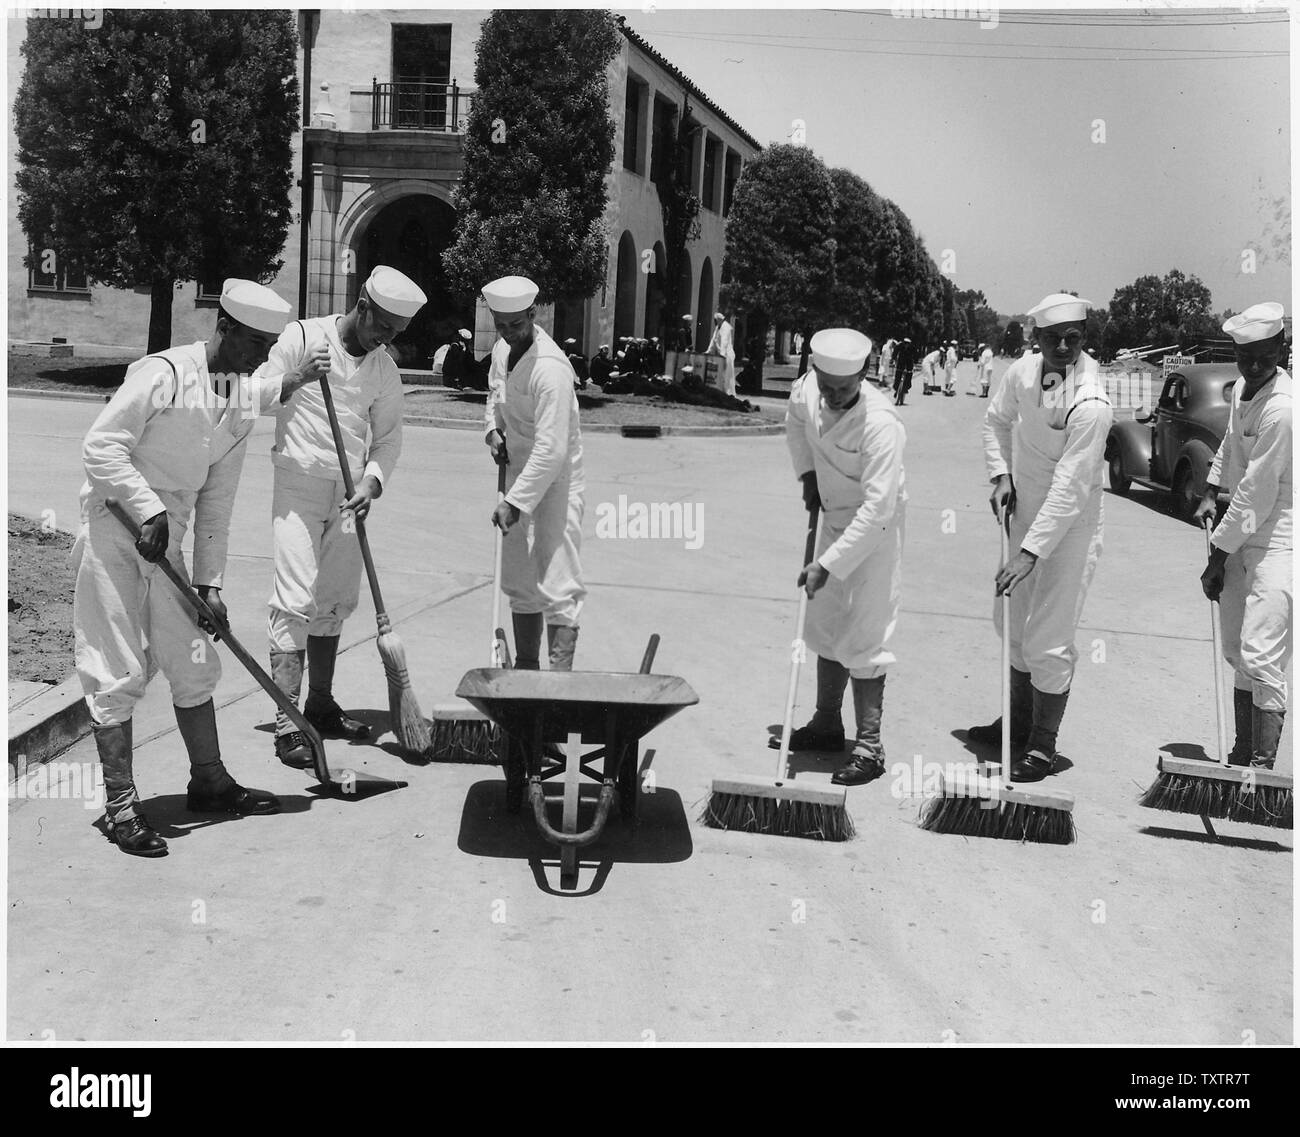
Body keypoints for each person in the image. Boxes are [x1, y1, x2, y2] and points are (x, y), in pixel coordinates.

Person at [73, 280, 306, 856]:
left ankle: (210, 782)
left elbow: (216, 502)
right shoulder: (164, 375)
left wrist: (210, 583)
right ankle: (121, 806)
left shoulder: (242, 402)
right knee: (118, 669)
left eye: (268, 348)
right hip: (115, 526)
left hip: (166, 540)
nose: (257, 359)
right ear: (223, 329)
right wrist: (146, 508)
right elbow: (102, 445)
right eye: (251, 343)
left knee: (194, 660)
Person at [258, 265, 426, 769]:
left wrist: (372, 483)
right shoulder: (303, 336)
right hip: (298, 486)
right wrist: (297, 378)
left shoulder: (383, 369)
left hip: (351, 496)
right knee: (294, 598)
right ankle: (289, 723)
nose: (384, 340)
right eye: (381, 327)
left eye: (395, 335)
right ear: (362, 305)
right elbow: (257, 390)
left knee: (333, 601)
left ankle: (322, 705)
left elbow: (389, 438)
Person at [971, 293, 1113, 782]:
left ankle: (1041, 744)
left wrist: (1031, 553)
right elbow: (995, 421)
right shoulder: (1022, 373)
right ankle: (1016, 721)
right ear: (1035, 337)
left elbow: (1072, 486)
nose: (1063, 347)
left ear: (1085, 337)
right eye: (1052, 338)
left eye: (1073, 338)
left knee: (1048, 637)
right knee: (1011, 621)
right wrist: (1000, 476)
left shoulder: (1092, 402)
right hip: (1024, 511)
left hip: (1070, 527)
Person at [782, 328, 907, 786]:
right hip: (833, 514)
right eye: (827, 387)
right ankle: (826, 725)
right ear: (814, 372)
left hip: (875, 531)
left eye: (845, 390)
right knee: (825, 625)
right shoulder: (807, 390)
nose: (833, 398)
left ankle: (870, 747)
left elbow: (878, 512)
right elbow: (797, 424)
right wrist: (808, 474)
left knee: (864, 633)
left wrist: (827, 565)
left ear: (863, 376)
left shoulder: (881, 423)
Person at [1194, 302, 1292, 770]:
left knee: (1261, 650)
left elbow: (1256, 495)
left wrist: (1216, 557)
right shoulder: (1242, 393)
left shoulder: (1283, 410)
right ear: (1235, 351)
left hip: (1280, 540)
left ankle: (1261, 768)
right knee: (1236, 648)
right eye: (1245, 354)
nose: (1254, 364)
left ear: (1283, 348)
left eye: (1264, 354)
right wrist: (1212, 487)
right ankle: (1240, 755)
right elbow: (1231, 444)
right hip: (1241, 532)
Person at [482, 275, 586, 670]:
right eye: (502, 326)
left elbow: (553, 449)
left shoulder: (551, 368)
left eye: (517, 325)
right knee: (521, 580)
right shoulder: (501, 351)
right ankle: (526, 673)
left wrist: (516, 502)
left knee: (557, 579)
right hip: (517, 471)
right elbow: (496, 397)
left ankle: (558, 689)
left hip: (558, 480)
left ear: (532, 313)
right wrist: (492, 431)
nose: (509, 334)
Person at [707, 311, 737, 397]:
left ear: (719, 320)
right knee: (721, 374)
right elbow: (713, 340)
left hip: (727, 355)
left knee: (727, 375)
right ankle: (722, 391)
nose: (714, 322)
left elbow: (724, 341)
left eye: (715, 320)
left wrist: (722, 354)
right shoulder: (718, 327)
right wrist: (708, 351)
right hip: (721, 355)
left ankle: (728, 393)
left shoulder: (726, 327)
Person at [893, 338, 914, 405]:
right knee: (897, 378)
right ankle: (896, 389)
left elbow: (915, 355)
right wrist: (893, 359)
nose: (906, 345)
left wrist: (914, 365)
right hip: (900, 364)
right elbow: (895, 352)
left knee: (909, 377)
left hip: (909, 364)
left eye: (907, 344)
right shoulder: (899, 346)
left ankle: (905, 389)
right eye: (905, 343)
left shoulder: (912, 348)